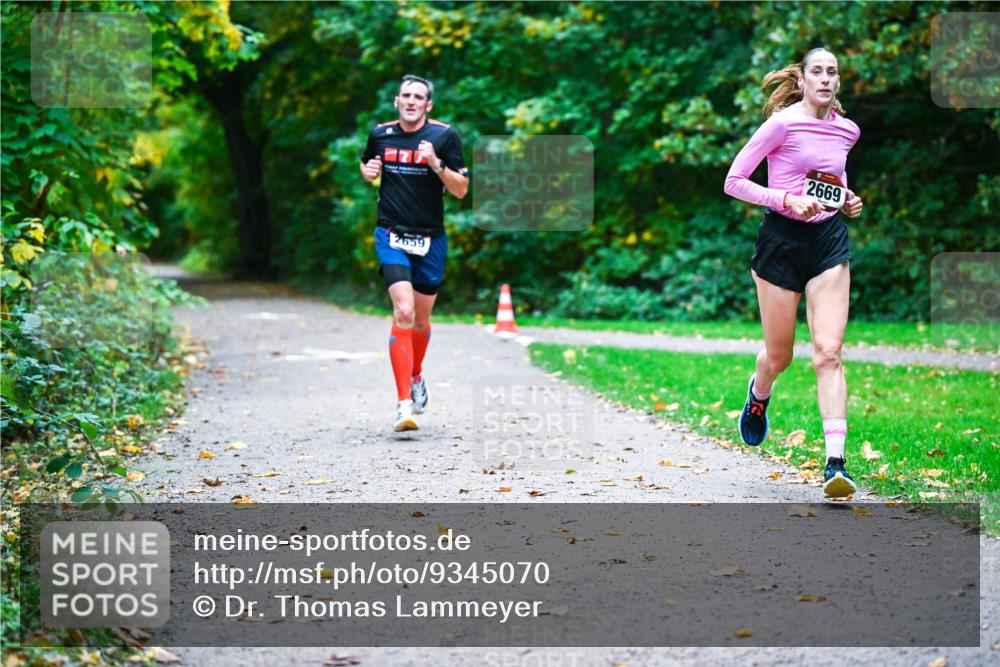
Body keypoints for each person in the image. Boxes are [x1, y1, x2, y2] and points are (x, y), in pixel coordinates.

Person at [723, 47, 864, 498]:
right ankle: (759, 393)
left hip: (827, 242)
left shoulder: (848, 131)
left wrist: (848, 199)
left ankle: (835, 464)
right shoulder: (781, 124)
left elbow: (830, 181)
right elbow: (734, 181)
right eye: (817, 72)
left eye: (832, 72)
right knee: (779, 356)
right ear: (801, 81)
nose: (825, 79)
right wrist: (783, 200)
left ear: (838, 82)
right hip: (780, 243)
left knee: (828, 352)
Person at [359, 74, 468, 432]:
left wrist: (436, 163)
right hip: (391, 233)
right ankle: (403, 403)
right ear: (396, 101)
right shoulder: (380, 134)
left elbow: (462, 190)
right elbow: (367, 165)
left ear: (428, 105)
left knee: (420, 322)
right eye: (405, 95)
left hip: (430, 239)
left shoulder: (444, 136)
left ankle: (417, 374)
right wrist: (368, 170)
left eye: (418, 97)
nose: (411, 101)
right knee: (403, 311)